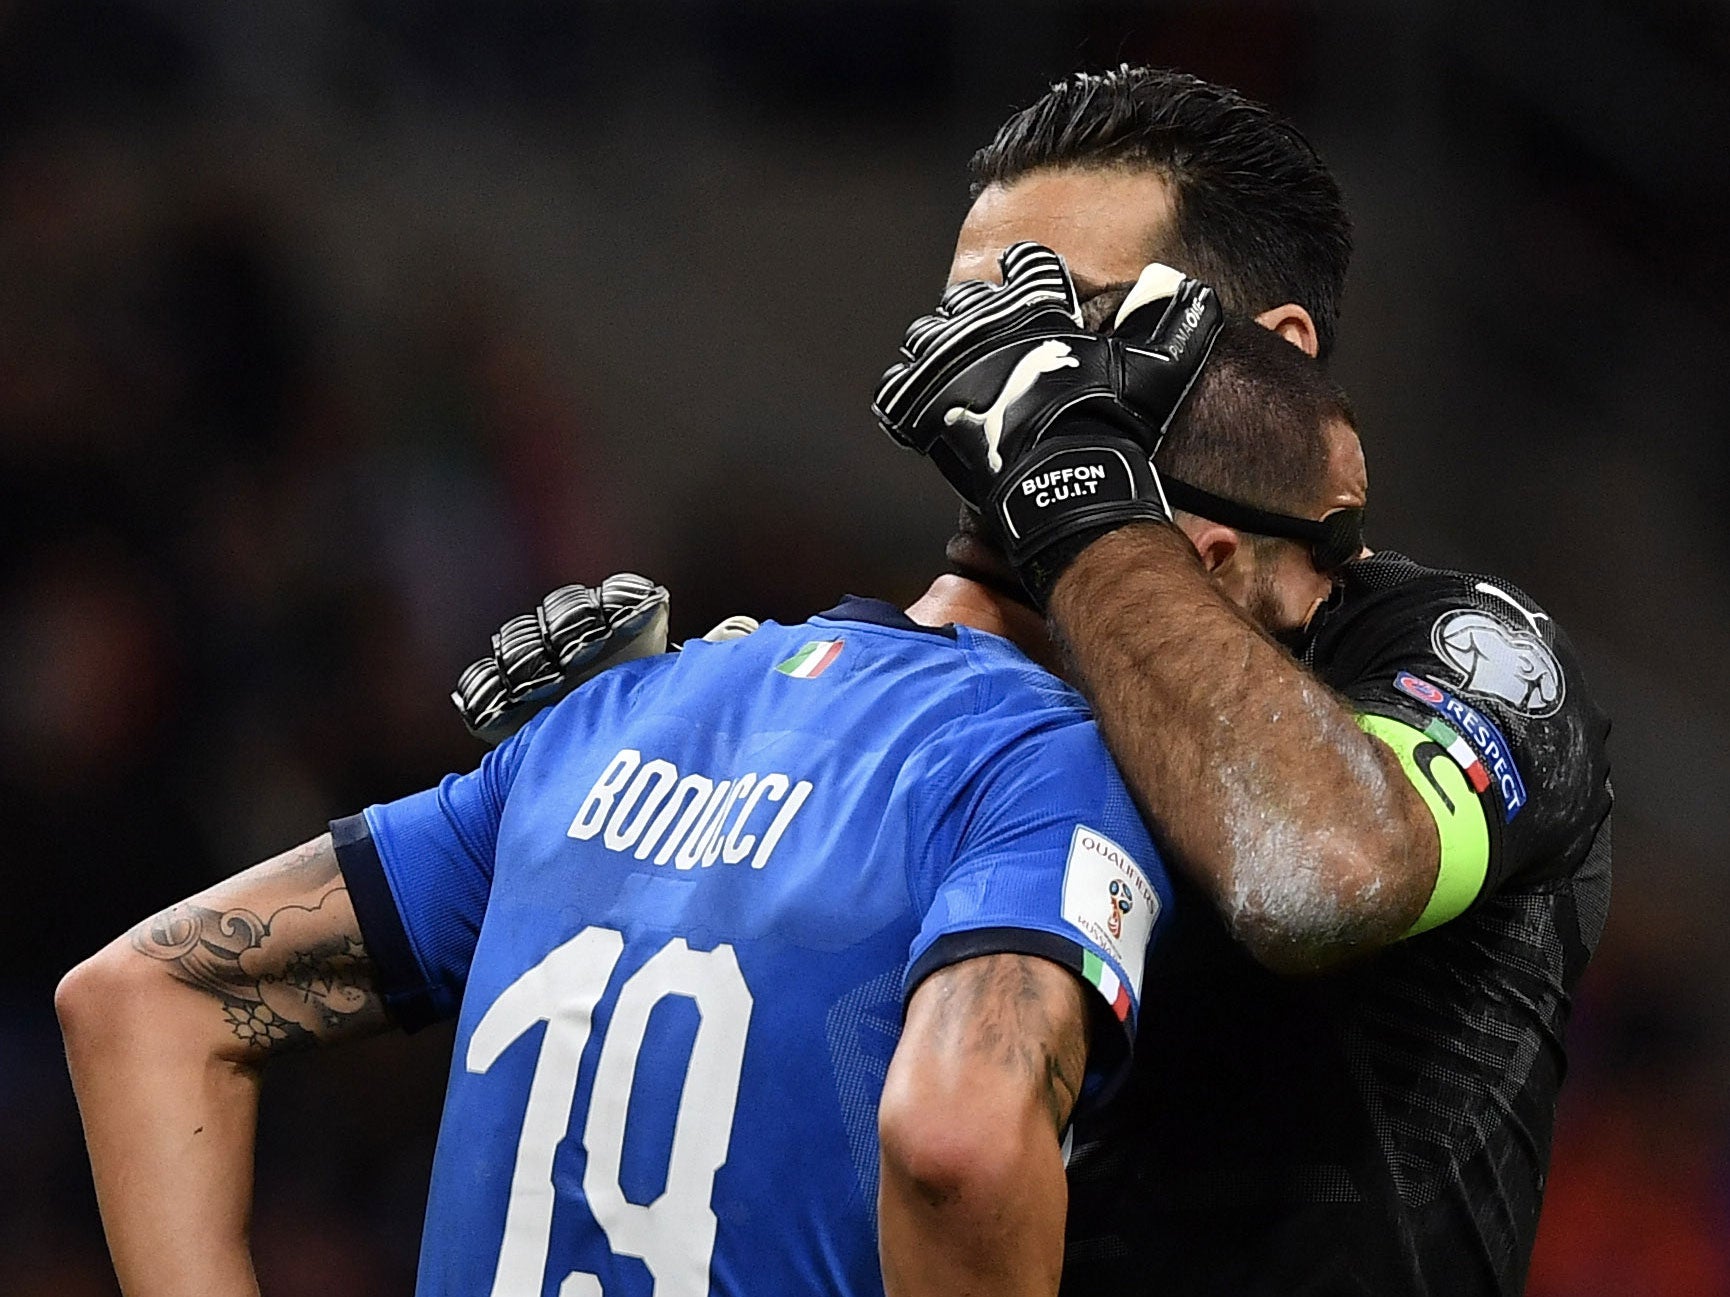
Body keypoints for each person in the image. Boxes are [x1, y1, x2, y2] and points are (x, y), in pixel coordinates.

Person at [465, 68, 1613, 1297]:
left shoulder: (1464, 654)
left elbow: (1320, 871)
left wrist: (1076, 490)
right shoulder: (961, 697)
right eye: (980, 323)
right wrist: (632, 817)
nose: (1002, 373)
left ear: (1271, 359)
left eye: (1066, 324)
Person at [59, 266, 1344, 1297]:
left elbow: (141, 997)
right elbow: (961, 1142)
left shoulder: (611, 710)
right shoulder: (1046, 765)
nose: (1298, 656)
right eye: (1301, 602)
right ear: (1206, 558)